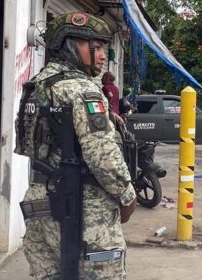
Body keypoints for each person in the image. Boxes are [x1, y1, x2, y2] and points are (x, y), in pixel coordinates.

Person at [14, 12, 136, 279]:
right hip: (83, 208)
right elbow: (102, 155)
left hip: (40, 204)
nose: (103, 55)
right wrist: (127, 195)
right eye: (97, 46)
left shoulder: (37, 86)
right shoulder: (82, 90)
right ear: (70, 45)